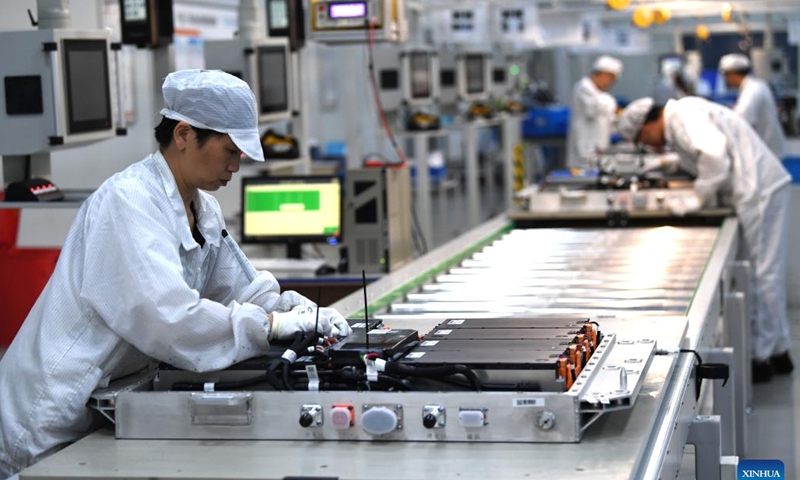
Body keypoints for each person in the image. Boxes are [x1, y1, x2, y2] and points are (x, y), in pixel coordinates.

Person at [0, 70, 351, 478]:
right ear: (184, 134)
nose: (236, 166)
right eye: (230, 151)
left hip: (108, 406)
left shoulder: (202, 208)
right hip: (48, 421)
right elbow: (168, 318)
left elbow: (238, 288)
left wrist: (299, 312)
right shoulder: (129, 202)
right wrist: (271, 326)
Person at [618, 96, 793, 383]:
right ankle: (779, 352)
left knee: (763, 276)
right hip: (758, 190)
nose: (649, 144)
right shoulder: (682, 117)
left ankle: (761, 358)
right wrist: (667, 162)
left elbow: (713, 156)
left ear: (650, 121)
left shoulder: (683, 116)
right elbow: (697, 152)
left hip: (759, 191)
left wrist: (698, 197)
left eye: (643, 137)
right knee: (764, 274)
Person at [719, 53, 787, 159]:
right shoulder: (758, 85)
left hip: (765, 150)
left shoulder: (751, 90)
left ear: (732, 74)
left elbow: (740, 119)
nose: (726, 79)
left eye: (726, 75)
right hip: (769, 147)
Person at [566, 55, 623, 169]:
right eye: (611, 79)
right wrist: (613, 105)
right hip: (584, 151)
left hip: (598, 150)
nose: (610, 84)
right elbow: (593, 109)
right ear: (602, 74)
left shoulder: (599, 94)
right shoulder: (583, 87)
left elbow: (609, 116)